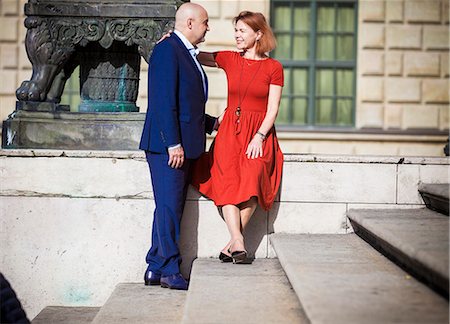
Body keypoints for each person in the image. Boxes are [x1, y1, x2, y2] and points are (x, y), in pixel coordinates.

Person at [192, 11, 284, 263]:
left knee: (254, 182)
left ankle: (232, 242)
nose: (237, 35)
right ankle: (239, 241)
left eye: (242, 31)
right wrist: (173, 40)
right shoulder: (230, 59)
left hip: (258, 132)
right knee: (229, 186)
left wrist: (259, 136)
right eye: (236, 31)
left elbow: (273, 108)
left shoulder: (273, 67)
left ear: (258, 34)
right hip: (230, 132)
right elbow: (193, 55)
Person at [139, 2, 216, 290]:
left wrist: (211, 123)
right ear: (191, 23)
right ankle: (171, 271)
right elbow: (163, 102)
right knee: (169, 208)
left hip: (179, 143)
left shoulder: (182, 51)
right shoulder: (168, 50)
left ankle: (155, 266)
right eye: (206, 22)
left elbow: (187, 104)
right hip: (166, 147)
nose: (209, 27)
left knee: (166, 208)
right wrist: (173, 144)